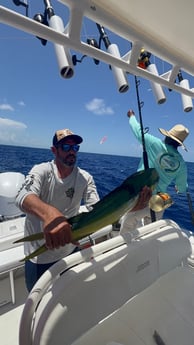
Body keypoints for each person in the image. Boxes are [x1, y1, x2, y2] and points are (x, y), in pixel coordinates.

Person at [15, 127, 152, 291]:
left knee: (70, 293)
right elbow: (22, 196)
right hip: (40, 257)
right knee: (37, 304)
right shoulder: (42, 171)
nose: (71, 151)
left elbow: (98, 210)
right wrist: (50, 214)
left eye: (75, 147)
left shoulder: (85, 178)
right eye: (66, 147)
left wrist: (132, 206)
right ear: (54, 150)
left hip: (70, 247)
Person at [120, 109, 189, 233]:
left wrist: (131, 116)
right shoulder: (182, 164)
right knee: (150, 232)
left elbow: (137, 131)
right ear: (179, 144)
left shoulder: (153, 143)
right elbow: (182, 187)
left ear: (167, 136)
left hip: (141, 197)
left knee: (127, 227)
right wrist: (180, 188)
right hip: (158, 202)